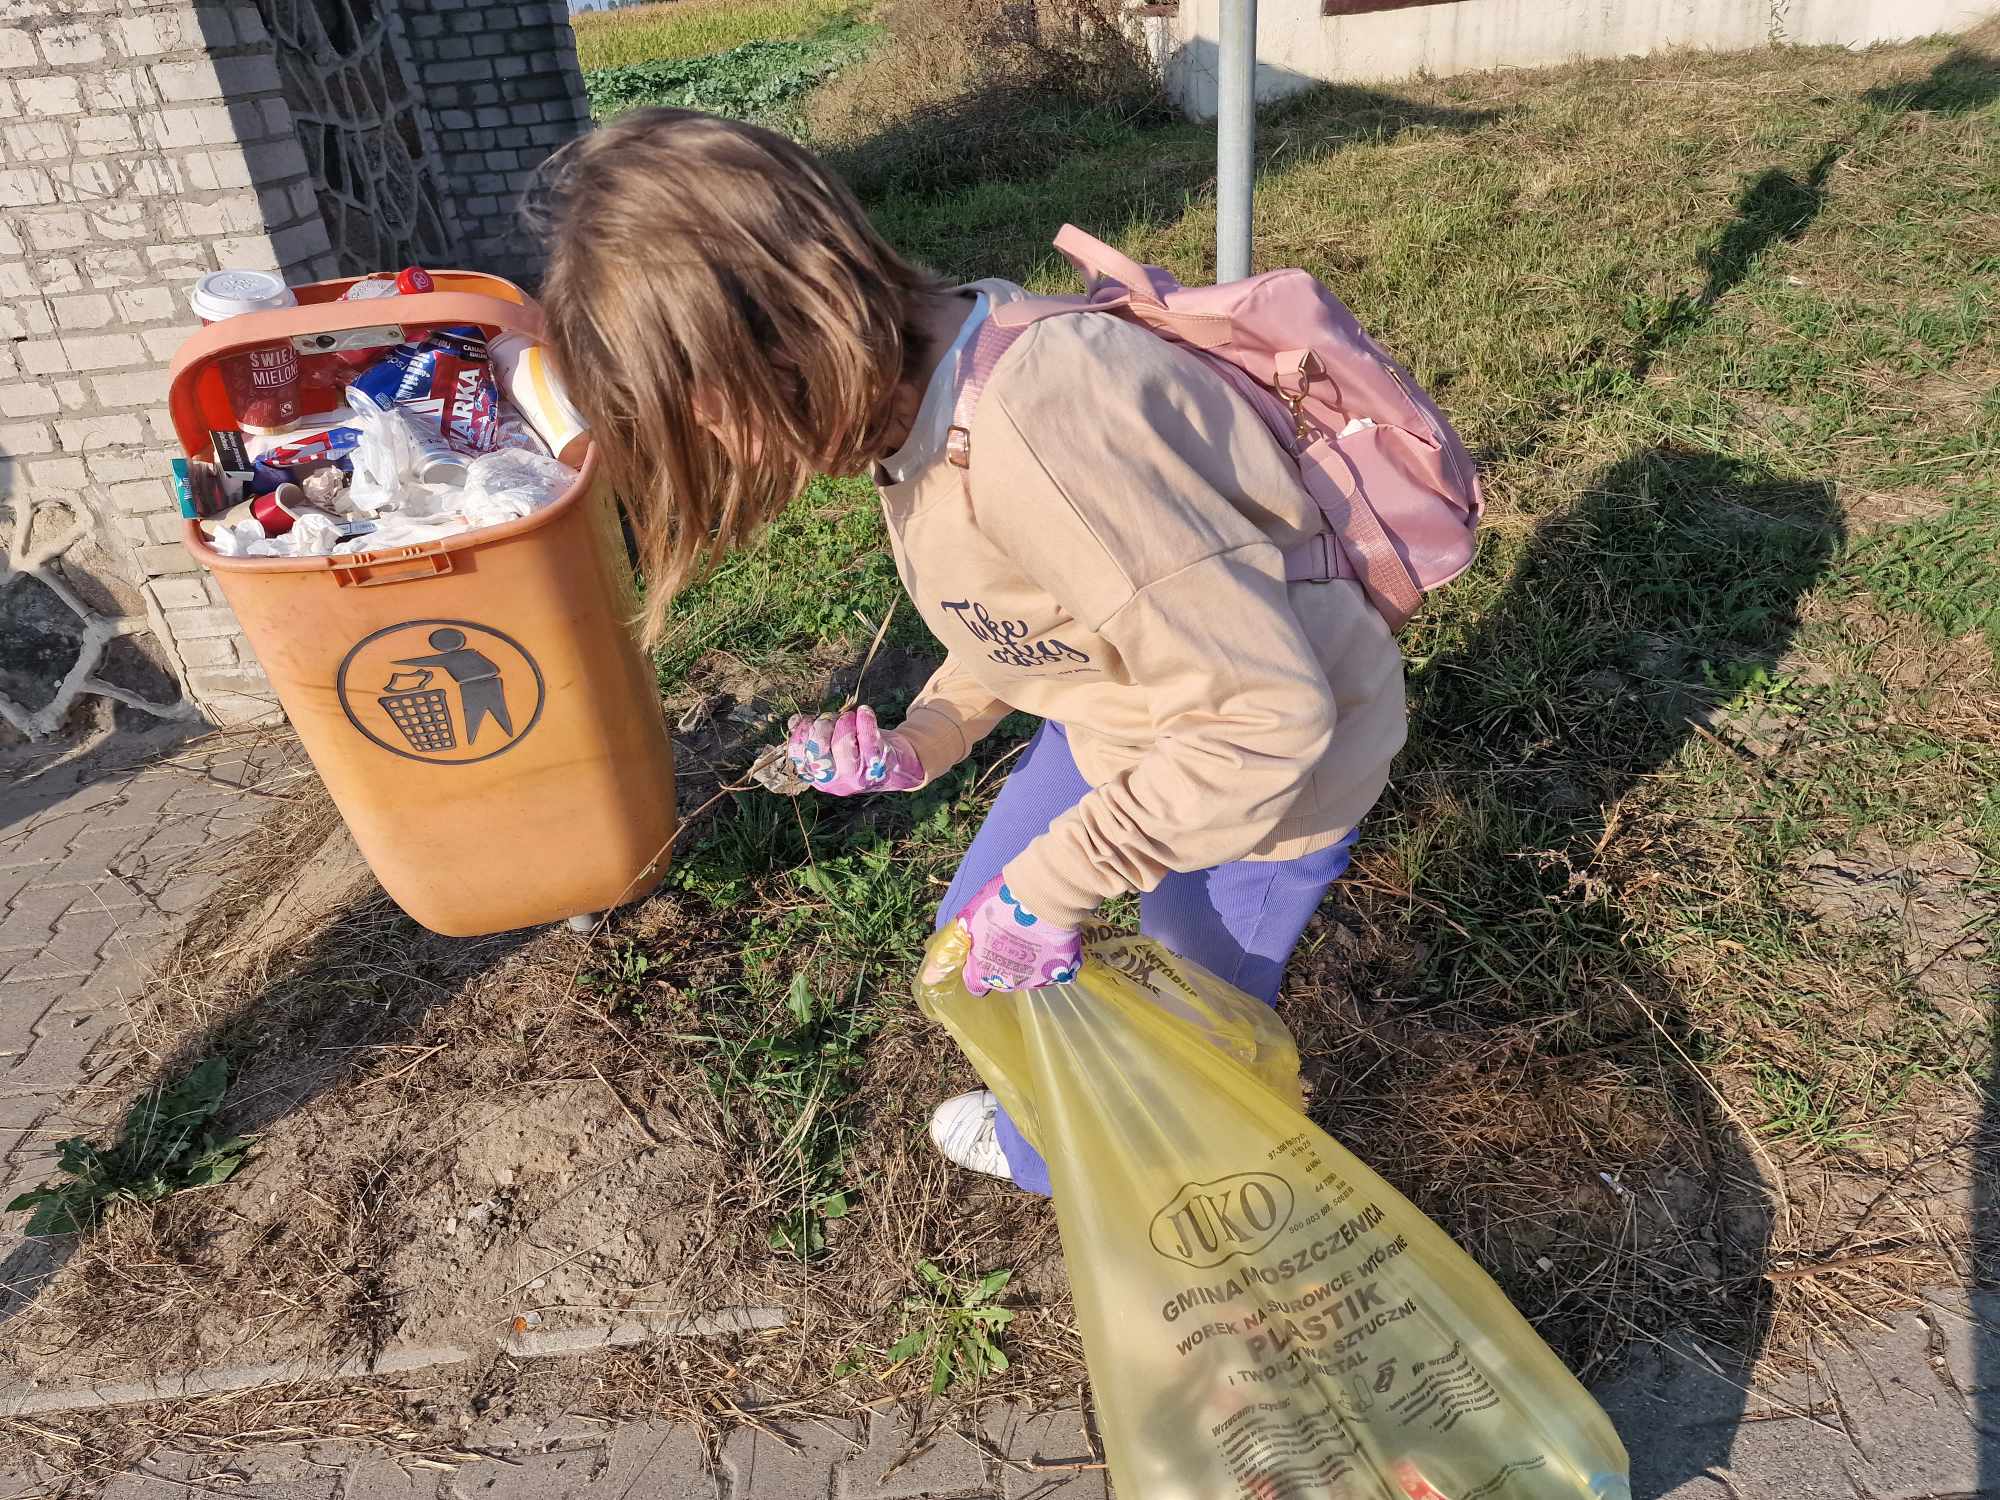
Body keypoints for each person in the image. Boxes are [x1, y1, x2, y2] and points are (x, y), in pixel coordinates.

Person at [538, 110, 1407, 1195]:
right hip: (1120, 714)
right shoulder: (925, 382)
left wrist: (1055, 884)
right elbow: (1039, 605)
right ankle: (1066, 1139)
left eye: (702, 416)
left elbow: (1262, 718)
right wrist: (928, 734)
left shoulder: (1045, 424)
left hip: (1267, 782)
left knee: (1194, 1027)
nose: (719, 448)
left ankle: (1156, 1190)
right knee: (978, 944)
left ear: (781, 334)